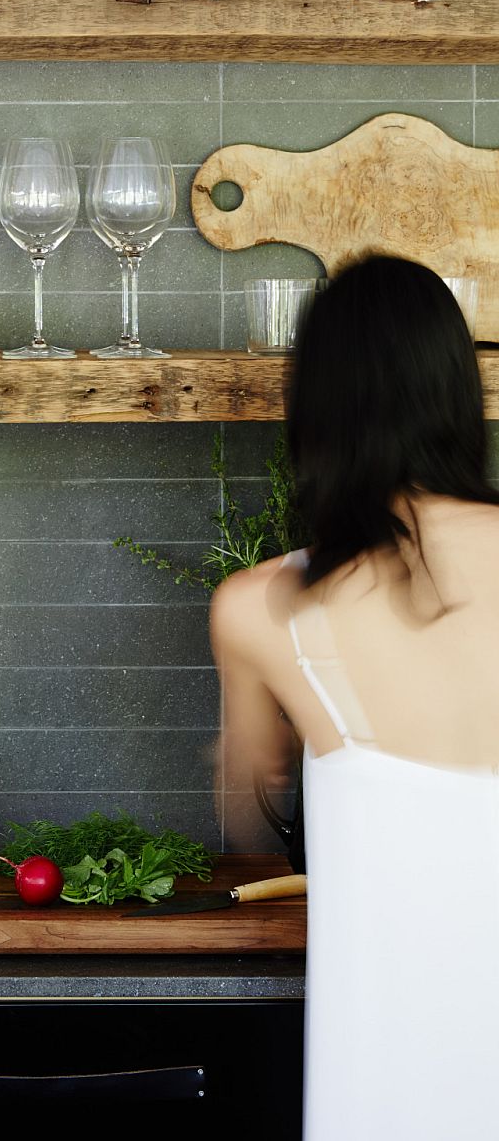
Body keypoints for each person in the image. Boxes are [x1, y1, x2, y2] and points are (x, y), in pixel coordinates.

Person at [210, 254, 499, 1141]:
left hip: (385, 1084)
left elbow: (244, 814)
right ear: (458, 389)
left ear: (316, 410)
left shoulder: (260, 611)